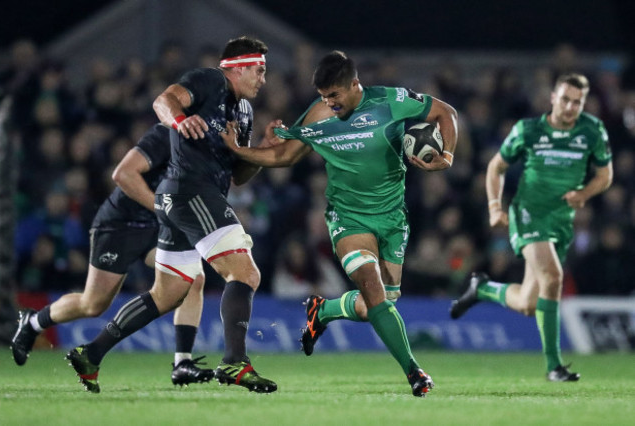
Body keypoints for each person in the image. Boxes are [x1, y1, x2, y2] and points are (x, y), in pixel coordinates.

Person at [222, 50, 458, 397]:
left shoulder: (390, 101)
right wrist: (241, 151)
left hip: (392, 218)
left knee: (378, 304)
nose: (328, 102)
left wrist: (448, 155)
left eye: (334, 95)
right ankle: (415, 372)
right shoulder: (318, 115)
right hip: (347, 219)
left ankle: (325, 310)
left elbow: (445, 112)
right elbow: (285, 155)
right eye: (322, 96)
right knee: (373, 289)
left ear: (354, 84)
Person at [64, 36, 277, 394]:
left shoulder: (245, 112)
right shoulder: (210, 80)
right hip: (192, 191)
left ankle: (91, 353)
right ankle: (235, 362)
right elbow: (164, 100)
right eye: (259, 70)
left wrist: (259, 154)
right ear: (238, 67)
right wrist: (178, 120)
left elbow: (238, 176)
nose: (263, 79)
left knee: (169, 293)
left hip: (187, 197)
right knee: (244, 271)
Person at [11, 123, 214, 387]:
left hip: (156, 228)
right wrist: (164, 209)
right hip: (120, 224)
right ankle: (34, 321)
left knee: (193, 278)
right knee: (93, 304)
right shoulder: (166, 134)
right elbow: (123, 175)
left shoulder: (209, 146)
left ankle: (182, 363)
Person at [450, 73, 613, 381]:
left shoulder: (592, 130)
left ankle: (482, 288)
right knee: (553, 276)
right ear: (552, 98)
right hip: (528, 213)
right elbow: (496, 166)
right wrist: (495, 207)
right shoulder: (528, 130)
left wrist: (584, 194)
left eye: (577, 102)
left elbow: (605, 175)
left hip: (561, 220)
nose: (570, 107)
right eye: (565, 99)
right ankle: (554, 366)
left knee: (527, 303)